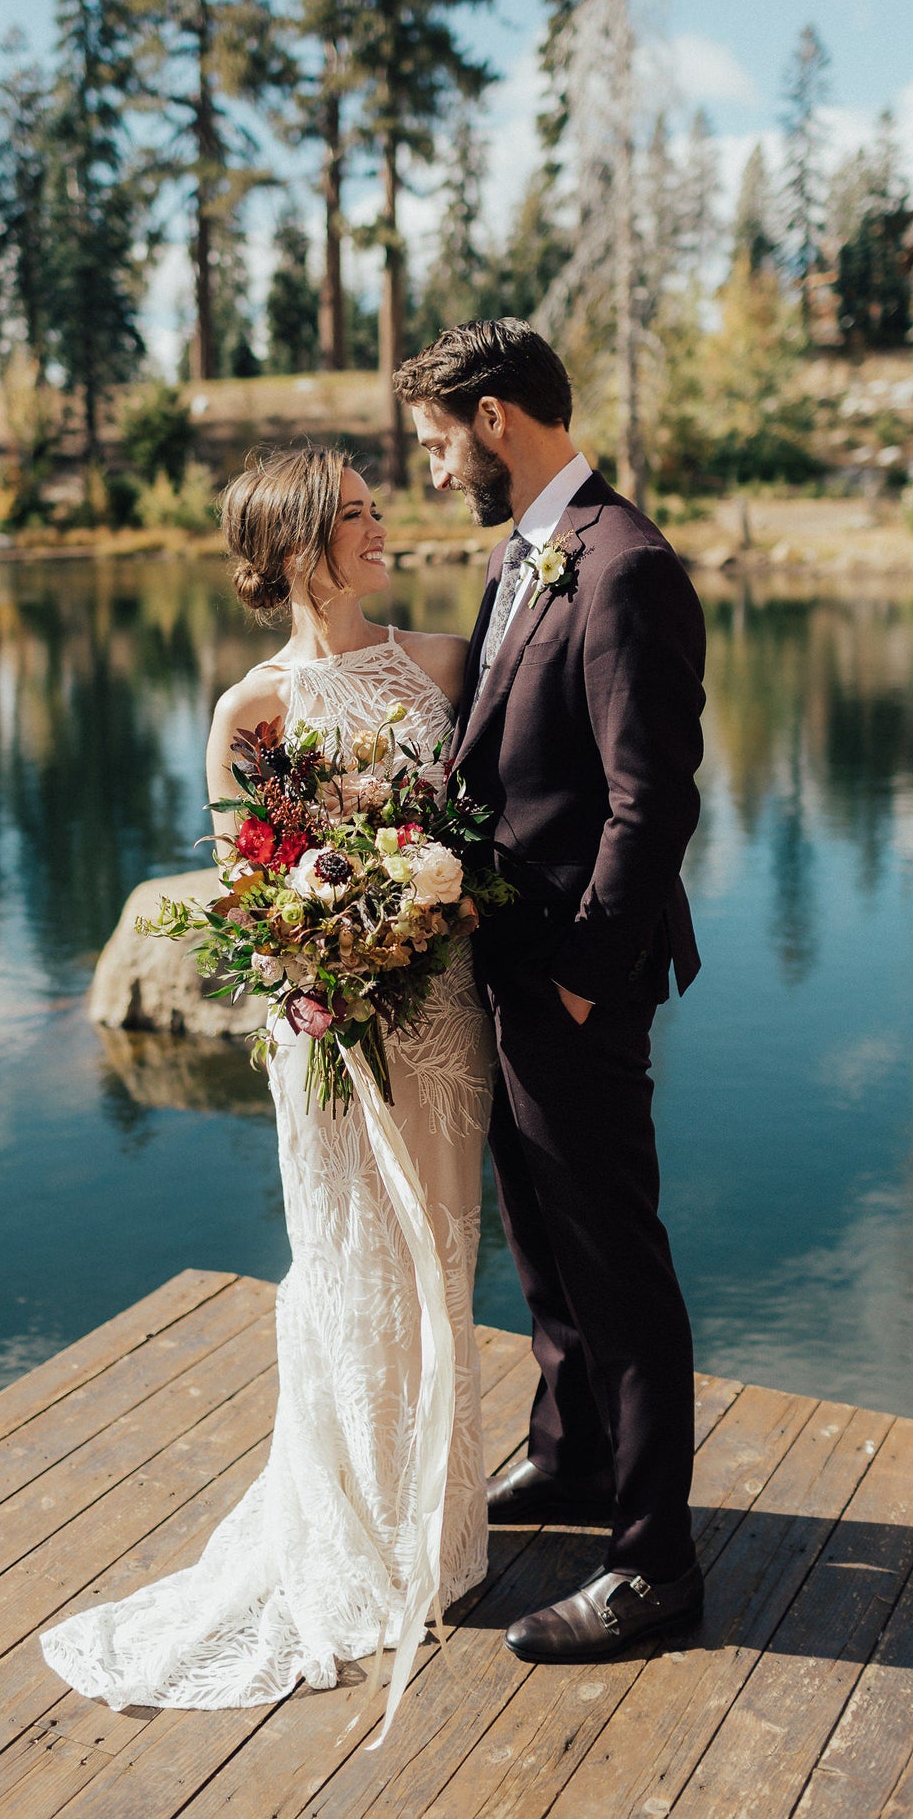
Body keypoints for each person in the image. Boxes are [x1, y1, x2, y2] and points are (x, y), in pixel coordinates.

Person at [39, 444, 495, 1727]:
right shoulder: (251, 709)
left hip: (446, 1021)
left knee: (446, 1258)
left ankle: (442, 1533)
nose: (381, 522)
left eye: (374, 504)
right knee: (350, 1259)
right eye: (355, 513)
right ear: (299, 546)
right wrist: (332, 946)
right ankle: (360, 1534)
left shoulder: (447, 662)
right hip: (335, 1032)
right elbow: (253, 901)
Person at [394, 317, 707, 1663]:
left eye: (431, 444)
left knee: (616, 1266)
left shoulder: (623, 566)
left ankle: (653, 1566)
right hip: (507, 970)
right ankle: (572, 1459)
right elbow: (503, 759)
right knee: (542, 1247)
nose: (428, 471)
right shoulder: (525, 553)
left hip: (576, 979)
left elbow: (651, 804)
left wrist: (584, 981)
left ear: (495, 420)